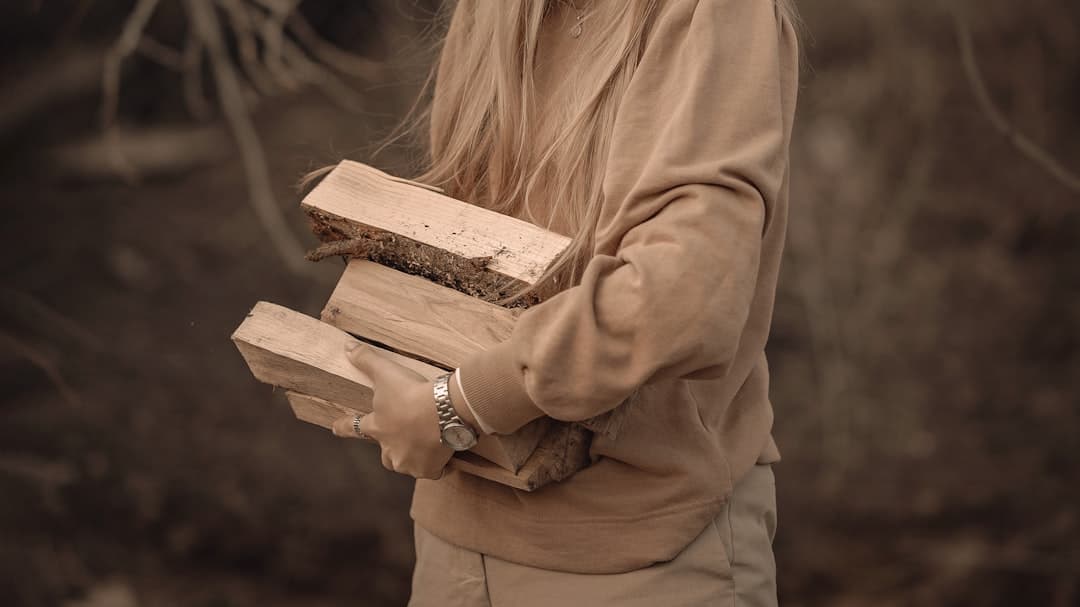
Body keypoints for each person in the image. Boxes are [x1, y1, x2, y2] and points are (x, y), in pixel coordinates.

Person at [329, 0, 799, 604]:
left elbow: (683, 293)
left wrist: (461, 403)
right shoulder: (495, 11)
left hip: (642, 557)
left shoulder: (715, 11)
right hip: (455, 534)